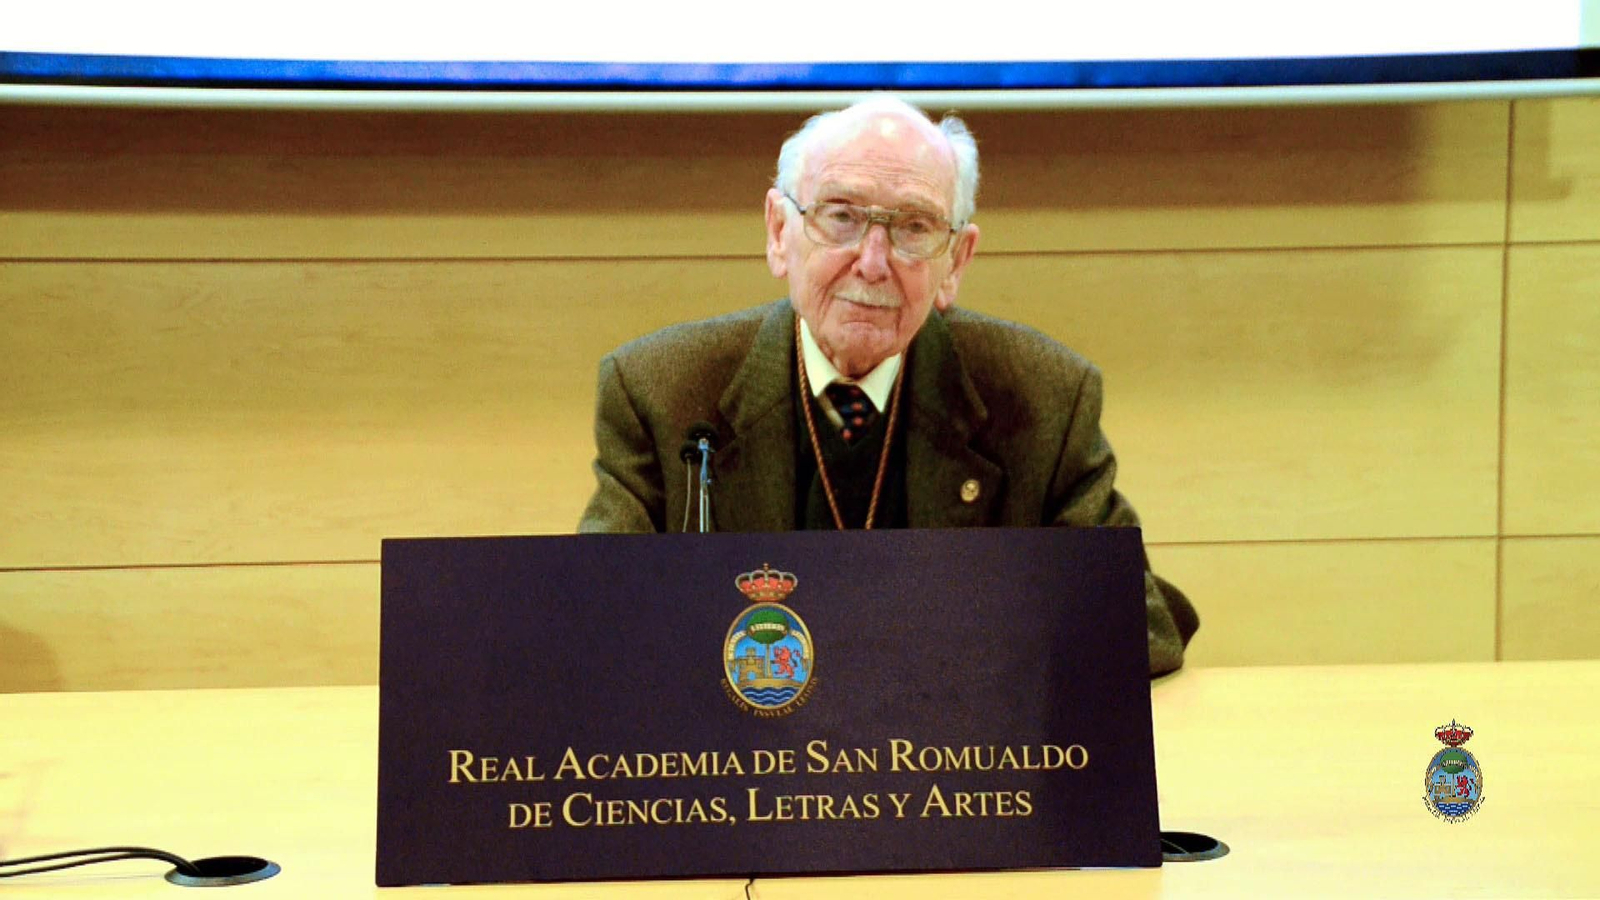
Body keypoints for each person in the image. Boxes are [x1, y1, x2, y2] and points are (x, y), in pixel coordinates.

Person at [579, 96, 1198, 674]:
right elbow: (591, 622)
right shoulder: (660, 391)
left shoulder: (1041, 398)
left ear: (955, 261)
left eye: (913, 228)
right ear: (777, 233)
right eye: (841, 217)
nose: (872, 262)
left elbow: (1146, 626)